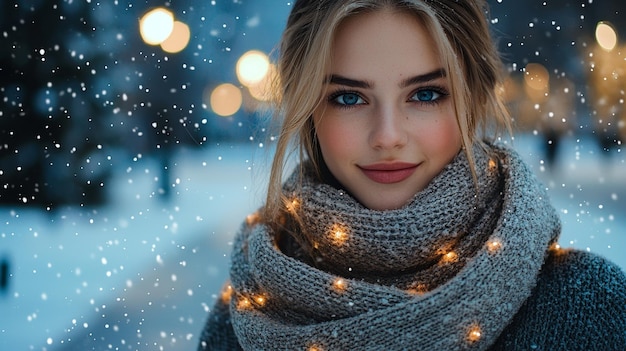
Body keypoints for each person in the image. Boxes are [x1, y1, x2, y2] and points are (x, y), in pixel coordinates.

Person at [198, 0, 626, 349]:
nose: (387, 136)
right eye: (349, 98)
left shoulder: (589, 307)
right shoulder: (247, 314)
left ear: (473, 100)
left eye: (425, 94)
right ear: (307, 109)